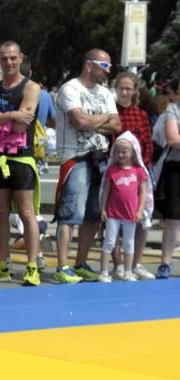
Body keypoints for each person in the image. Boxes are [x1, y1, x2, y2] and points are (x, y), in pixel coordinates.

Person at [0, 41, 43, 287]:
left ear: (20, 57)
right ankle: (3, 265)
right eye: (4, 58)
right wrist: (13, 114)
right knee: (0, 213)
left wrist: (1, 118)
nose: (9, 63)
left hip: (21, 157)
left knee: (26, 213)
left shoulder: (31, 87)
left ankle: (32, 266)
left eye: (13, 58)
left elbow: (21, 126)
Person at [53, 49, 121, 284]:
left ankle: (80, 263)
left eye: (109, 66)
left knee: (93, 214)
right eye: (104, 65)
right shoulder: (70, 89)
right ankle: (62, 265)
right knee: (71, 213)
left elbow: (117, 125)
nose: (108, 71)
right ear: (89, 64)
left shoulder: (106, 93)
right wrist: (103, 118)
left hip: (99, 157)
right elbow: (78, 121)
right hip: (76, 156)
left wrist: (92, 122)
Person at [110, 72, 155, 280]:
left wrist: (142, 168)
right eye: (121, 88)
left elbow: (147, 143)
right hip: (115, 172)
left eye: (129, 88)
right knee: (114, 218)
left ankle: (136, 262)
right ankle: (118, 263)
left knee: (141, 216)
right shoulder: (111, 113)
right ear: (116, 89)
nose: (125, 92)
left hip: (138, 172)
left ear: (135, 91)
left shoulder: (141, 115)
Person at [97, 133, 148, 282]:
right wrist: (103, 209)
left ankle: (128, 271)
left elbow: (143, 192)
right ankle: (104, 271)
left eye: (124, 151)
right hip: (113, 213)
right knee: (109, 241)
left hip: (131, 214)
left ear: (133, 152)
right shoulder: (112, 170)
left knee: (129, 242)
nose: (121, 154)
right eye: (118, 151)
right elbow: (106, 190)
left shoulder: (139, 171)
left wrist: (140, 211)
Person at [153, 81, 180, 279]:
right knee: (172, 218)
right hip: (176, 167)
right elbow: (173, 139)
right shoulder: (173, 109)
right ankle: (165, 263)